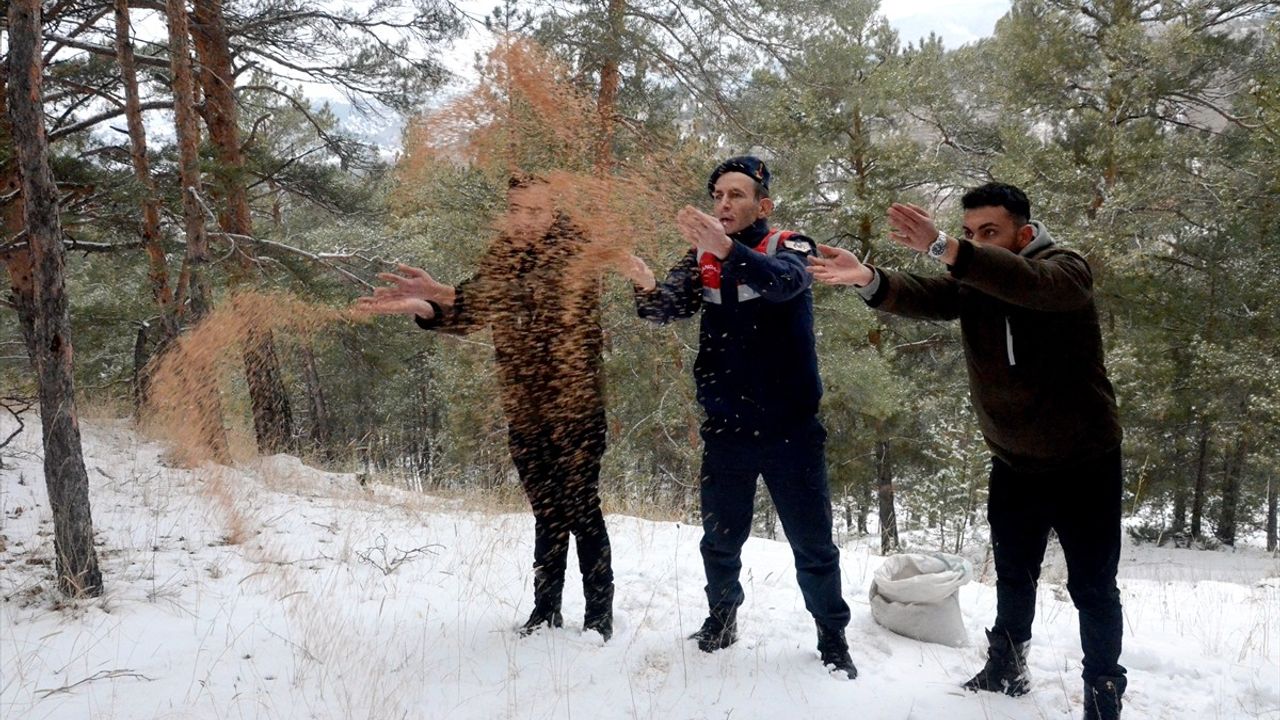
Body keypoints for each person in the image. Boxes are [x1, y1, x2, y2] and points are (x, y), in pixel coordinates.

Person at [808, 182, 1127, 719]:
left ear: (1024, 233)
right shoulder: (975, 279)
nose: (976, 242)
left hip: (1084, 462)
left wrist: (949, 249)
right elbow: (931, 296)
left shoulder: (1065, 268)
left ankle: (1103, 689)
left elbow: (1032, 284)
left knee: (1093, 587)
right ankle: (1007, 664)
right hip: (1013, 462)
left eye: (989, 233)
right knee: (1013, 574)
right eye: (970, 232)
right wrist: (867, 277)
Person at [622, 156, 856, 678]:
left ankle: (832, 637)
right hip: (726, 429)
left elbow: (784, 285)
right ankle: (721, 620)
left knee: (813, 545)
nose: (723, 204)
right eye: (717, 196)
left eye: (735, 195)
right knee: (721, 539)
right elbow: (666, 310)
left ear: (762, 205)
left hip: (790, 430)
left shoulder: (790, 245)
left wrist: (727, 249)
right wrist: (641, 282)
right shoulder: (700, 258)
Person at [355, 176, 615, 641]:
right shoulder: (503, 253)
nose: (525, 220)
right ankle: (545, 610)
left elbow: (531, 296)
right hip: (525, 408)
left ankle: (598, 616)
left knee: (581, 509)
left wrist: (447, 292)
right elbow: (474, 313)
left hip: (575, 407)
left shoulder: (577, 248)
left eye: (535, 211)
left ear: (553, 210)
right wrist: (428, 307)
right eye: (517, 210)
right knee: (547, 512)